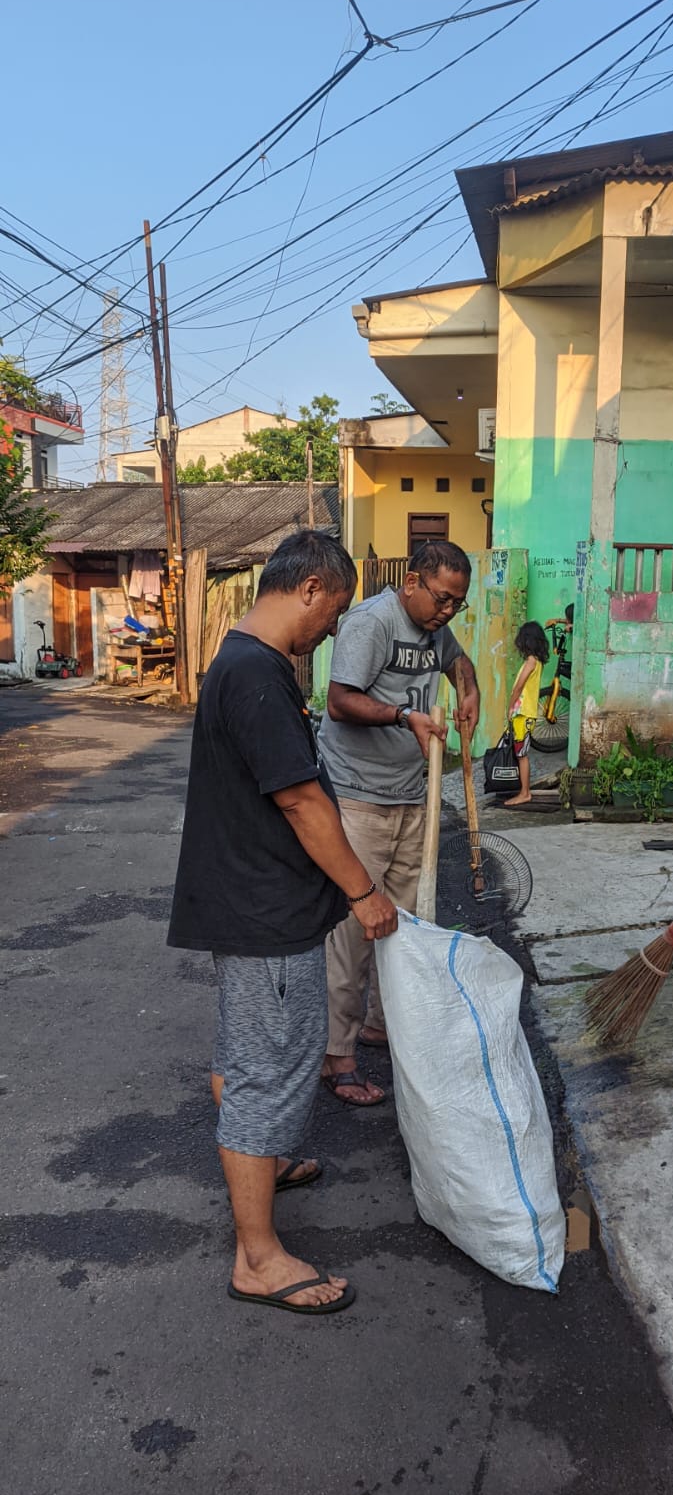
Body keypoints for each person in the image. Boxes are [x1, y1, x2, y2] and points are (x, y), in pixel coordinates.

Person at [167, 532, 398, 1313]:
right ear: (308, 587)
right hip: (267, 915)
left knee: (244, 1057)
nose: (331, 631)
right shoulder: (258, 677)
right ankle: (258, 1257)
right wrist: (364, 891)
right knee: (269, 1070)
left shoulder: (241, 663)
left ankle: (261, 1164)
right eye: (332, 611)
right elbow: (301, 801)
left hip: (248, 904)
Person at [317, 539, 480, 1105]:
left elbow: (458, 660)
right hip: (359, 798)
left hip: (414, 795)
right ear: (412, 582)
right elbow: (339, 701)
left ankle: (383, 1026)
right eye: (441, 599)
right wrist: (403, 715)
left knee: (407, 925)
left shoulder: (436, 629)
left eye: (458, 604)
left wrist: (470, 690)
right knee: (355, 932)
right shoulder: (372, 621)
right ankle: (338, 1056)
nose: (447, 612)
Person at [504, 620, 550, 809]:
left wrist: (509, 707)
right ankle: (523, 791)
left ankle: (525, 793)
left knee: (521, 755)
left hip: (522, 713)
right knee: (520, 753)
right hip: (526, 713)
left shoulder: (530, 662)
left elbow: (518, 688)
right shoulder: (537, 662)